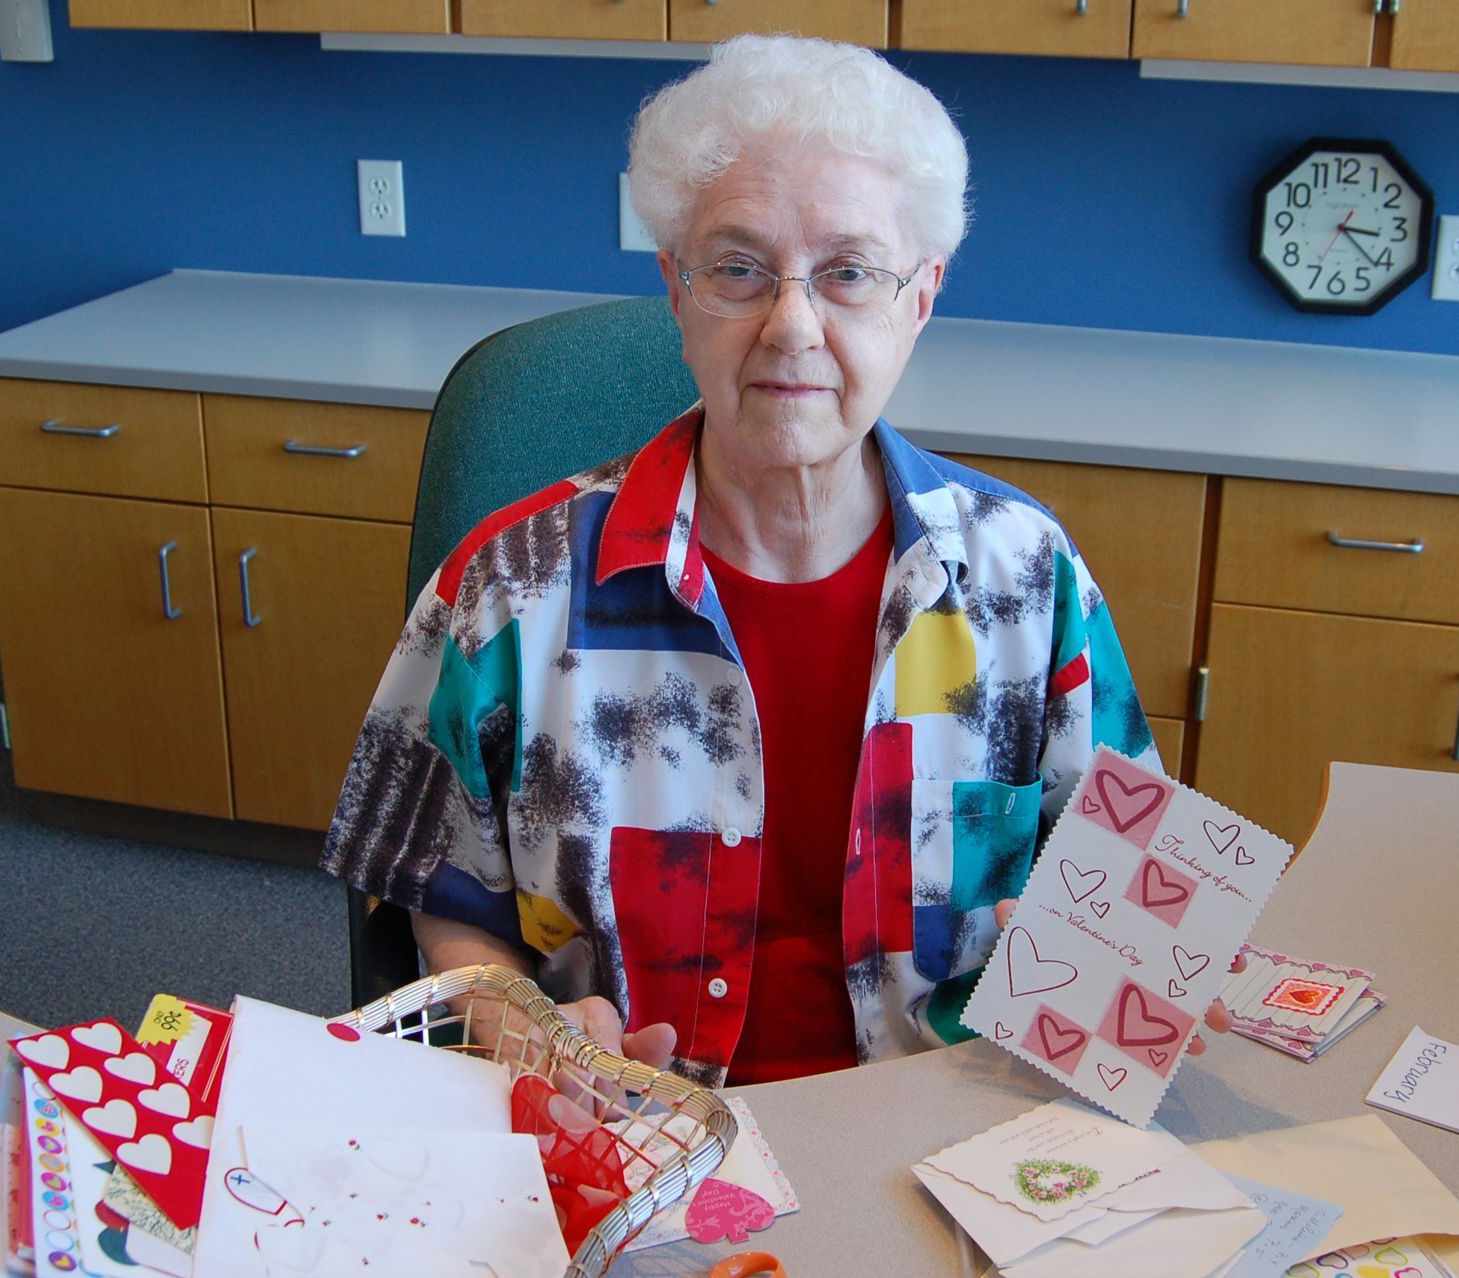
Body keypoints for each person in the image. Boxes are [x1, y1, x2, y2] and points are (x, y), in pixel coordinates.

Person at [322, 33, 1225, 1087]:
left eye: (848, 273)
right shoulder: (508, 589)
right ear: (676, 287)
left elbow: (1138, 886)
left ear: (920, 299)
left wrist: (1117, 967)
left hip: (947, 1126)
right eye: (740, 269)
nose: (791, 325)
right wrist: (525, 1028)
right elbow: (443, 902)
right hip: (645, 1133)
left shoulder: (1027, 575)